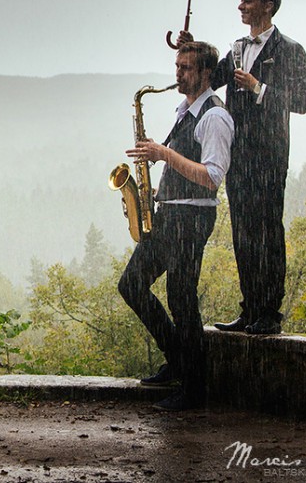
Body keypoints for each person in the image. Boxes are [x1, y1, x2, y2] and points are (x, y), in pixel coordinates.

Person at [118, 41, 234, 411]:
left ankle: (195, 388)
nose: (178, 74)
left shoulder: (215, 117)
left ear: (205, 74)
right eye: (177, 66)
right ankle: (178, 362)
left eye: (186, 68)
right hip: (170, 215)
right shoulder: (186, 111)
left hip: (192, 216)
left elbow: (213, 177)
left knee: (182, 299)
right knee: (132, 285)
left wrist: (164, 154)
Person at [209, 0, 306, 335]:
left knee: (267, 231)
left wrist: (257, 87)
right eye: (240, 0)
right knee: (243, 233)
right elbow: (209, 79)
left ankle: (269, 313)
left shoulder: (290, 50)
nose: (241, 6)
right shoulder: (237, 48)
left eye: (248, 1)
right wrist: (189, 48)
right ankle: (249, 307)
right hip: (238, 155)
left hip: (268, 158)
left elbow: (301, 102)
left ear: (268, 5)